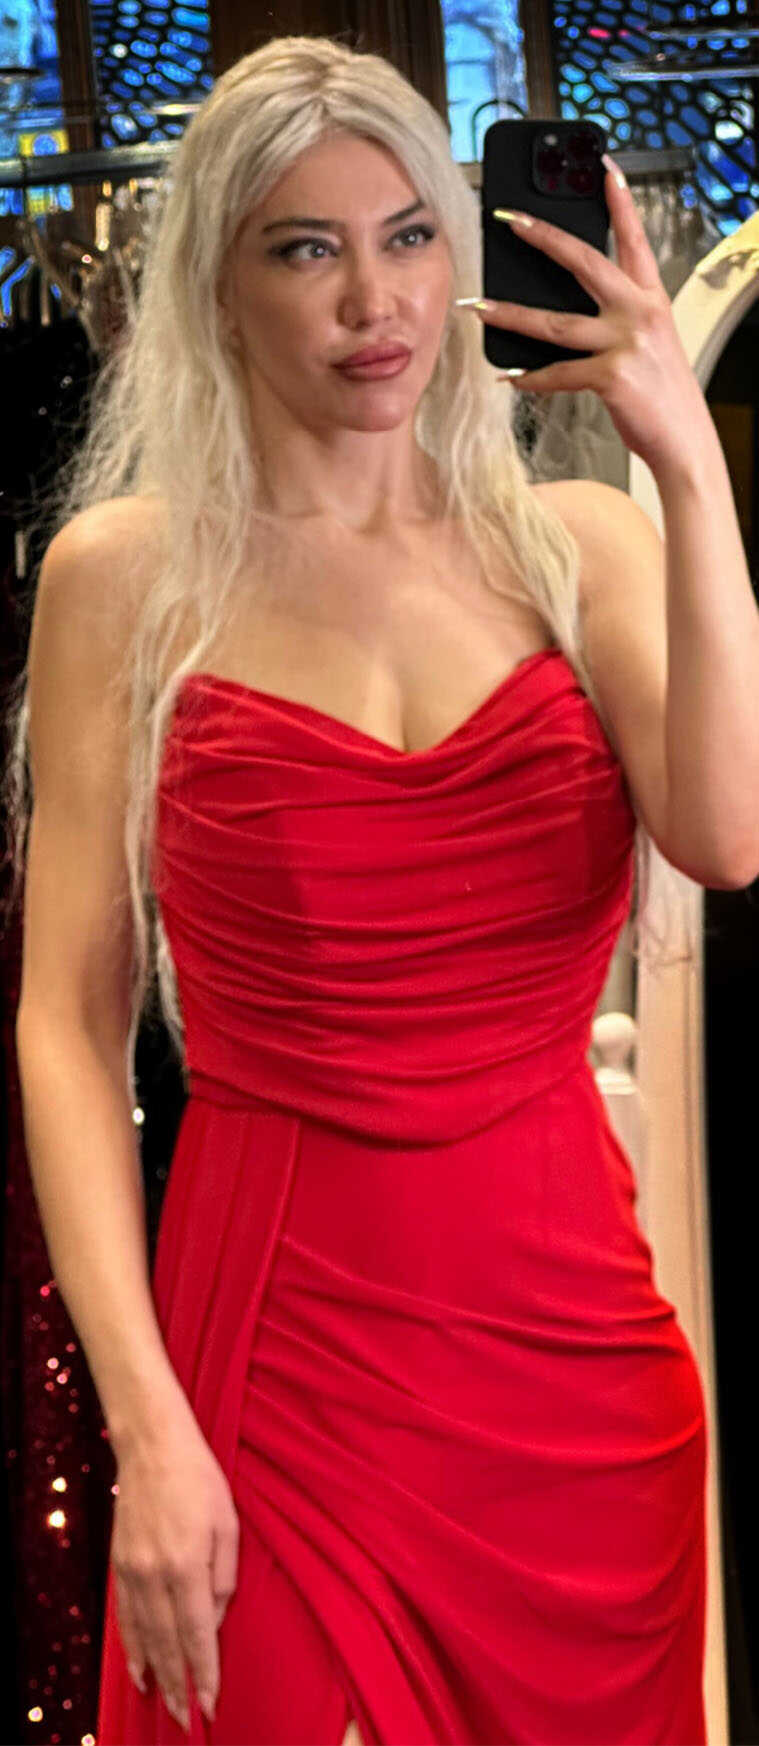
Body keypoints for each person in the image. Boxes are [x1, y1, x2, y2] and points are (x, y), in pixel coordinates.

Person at [9, 33, 710, 1746]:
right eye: (303, 249)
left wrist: (685, 459)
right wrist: (144, 1425)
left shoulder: (587, 547)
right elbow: (67, 1025)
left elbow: (730, 832)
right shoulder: (126, 580)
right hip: (270, 1346)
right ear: (218, 289)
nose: (371, 301)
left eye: (407, 237)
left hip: (571, 1358)